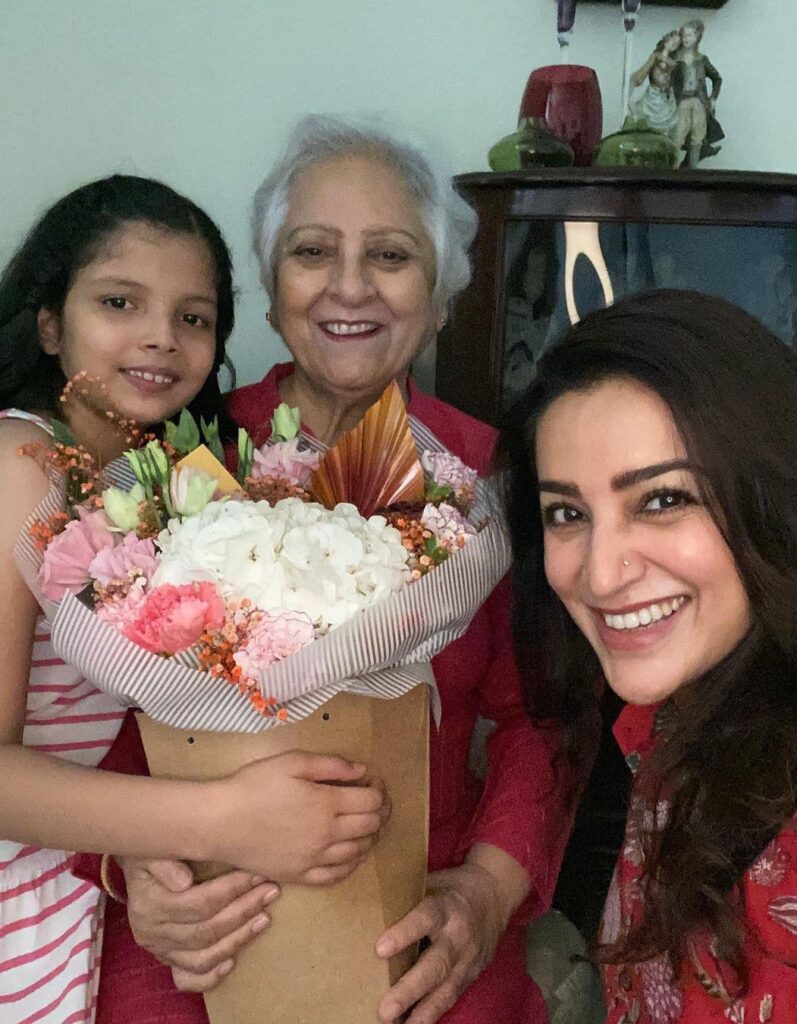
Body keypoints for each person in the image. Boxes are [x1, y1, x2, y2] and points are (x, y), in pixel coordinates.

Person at [86, 117, 581, 1024]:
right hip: (203, 908)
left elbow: (537, 717)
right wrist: (136, 874)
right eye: (313, 251)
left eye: (390, 255)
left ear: (439, 298)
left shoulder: (493, 474)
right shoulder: (179, 458)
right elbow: (102, 716)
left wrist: (484, 888)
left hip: (420, 900)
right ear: (271, 295)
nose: (349, 285)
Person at [0, 174, 389, 1024]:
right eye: (118, 302)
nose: (160, 340)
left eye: (193, 317)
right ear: (46, 324)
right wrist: (218, 818)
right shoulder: (15, 464)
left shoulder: (160, 483)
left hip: (82, 902)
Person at [499, 289, 797, 1021]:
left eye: (661, 500)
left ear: (768, 497)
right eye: (567, 514)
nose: (601, 573)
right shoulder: (660, 725)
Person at [671, 19, 724, 168]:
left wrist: (713, 98)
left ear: (697, 37)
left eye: (690, 35)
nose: (686, 39)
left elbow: (717, 78)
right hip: (682, 101)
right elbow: (669, 81)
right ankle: (672, 169)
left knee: (697, 137)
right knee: (678, 135)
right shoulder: (676, 59)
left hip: (699, 101)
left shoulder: (702, 60)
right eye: (684, 35)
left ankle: (692, 171)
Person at [628, 29, 681, 139]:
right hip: (653, 97)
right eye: (673, 42)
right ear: (666, 41)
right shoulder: (656, 57)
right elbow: (639, 76)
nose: (674, 46)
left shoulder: (674, 62)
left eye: (677, 44)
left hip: (666, 99)